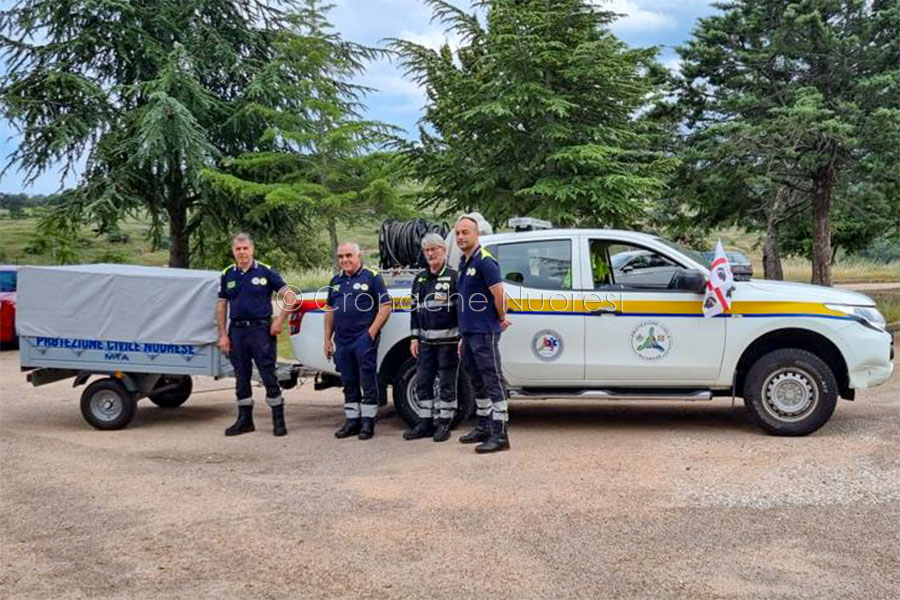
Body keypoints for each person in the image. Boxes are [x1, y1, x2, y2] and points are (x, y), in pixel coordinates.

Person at [217, 232, 290, 437]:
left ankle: (278, 419)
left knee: (267, 373)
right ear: (233, 251)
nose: (242, 253)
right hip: (237, 331)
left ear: (252, 249)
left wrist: (279, 320)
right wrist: (222, 334)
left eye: (245, 248)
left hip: (261, 331)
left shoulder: (266, 271)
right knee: (241, 376)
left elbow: (291, 296)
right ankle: (245, 420)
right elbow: (222, 305)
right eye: (238, 249)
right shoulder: (228, 274)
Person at [454, 215, 512, 453]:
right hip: (469, 333)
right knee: (476, 380)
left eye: (465, 232)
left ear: (476, 234)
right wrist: (462, 335)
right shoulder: (464, 262)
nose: (460, 237)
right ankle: (484, 425)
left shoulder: (485, 261)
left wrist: (500, 318)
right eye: (457, 233)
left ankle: (500, 434)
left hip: (484, 332)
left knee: (492, 380)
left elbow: (500, 294)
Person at [324, 242, 392, 440]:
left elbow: (386, 306)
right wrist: (327, 339)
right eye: (340, 256)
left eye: (348, 255)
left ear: (358, 255)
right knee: (348, 381)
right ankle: (352, 421)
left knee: (367, 381)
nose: (344, 260)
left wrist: (370, 333)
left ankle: (368, 423)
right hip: (342, 341)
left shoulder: (372, 277)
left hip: (363, 338)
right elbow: (329, 311)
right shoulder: (335, 281)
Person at [403, 233, 459, 442]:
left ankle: (444, 424)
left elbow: (461, 311)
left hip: (448, 343)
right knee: (423, 382)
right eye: (427, 250)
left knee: (446, 384)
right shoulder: (420, 279)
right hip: (425, 343)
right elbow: (414, 311)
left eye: (434, 249)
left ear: (443, 250)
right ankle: (424, 422)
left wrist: (461, 338)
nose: (430, 254)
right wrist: (414, 338)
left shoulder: (454, 277)